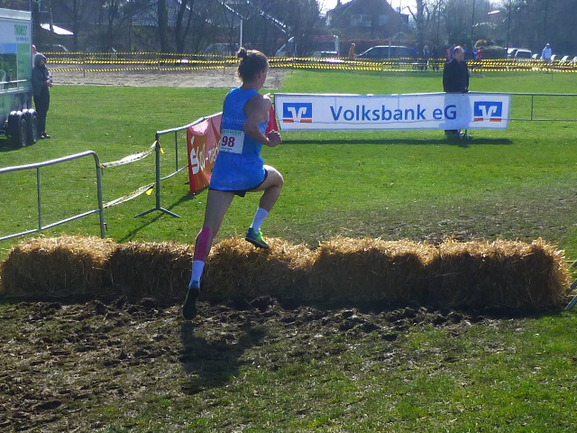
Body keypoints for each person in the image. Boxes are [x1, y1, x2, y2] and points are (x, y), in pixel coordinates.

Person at [182, 47, 284, 320]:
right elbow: (250, 127)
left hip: (223, 173)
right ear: (260, 73)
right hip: (249, 172)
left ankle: (195, 281)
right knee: (277, 181)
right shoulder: (261, 100)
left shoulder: (230, 96)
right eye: (267, 72)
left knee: (208, 230)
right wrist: (269, 141)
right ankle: (255, 230)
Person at [442, 45, 470, 139]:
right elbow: (446, 80)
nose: (463, 56)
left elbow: (466, 77)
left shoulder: (464, 64)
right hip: (452, 93)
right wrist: (448, 91)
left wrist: (466, 87)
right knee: (451, 112)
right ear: (456, 54)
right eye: (461, 54)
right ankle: (450, 130)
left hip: (462, 93)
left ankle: (459, 129)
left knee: (460, 112)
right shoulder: (449, 65)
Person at [31, 53, 53, 139]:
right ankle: (38, 132)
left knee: (44, 113)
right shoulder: (35, 70)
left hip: (45, 93)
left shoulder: (45, 69)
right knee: (40, 113)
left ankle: (43, 131)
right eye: (41, 60)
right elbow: (35, 82)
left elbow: (49, 76)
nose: (43, 61)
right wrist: (44, 83)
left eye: (44, 59)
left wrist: (50, 80)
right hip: (39, 94)